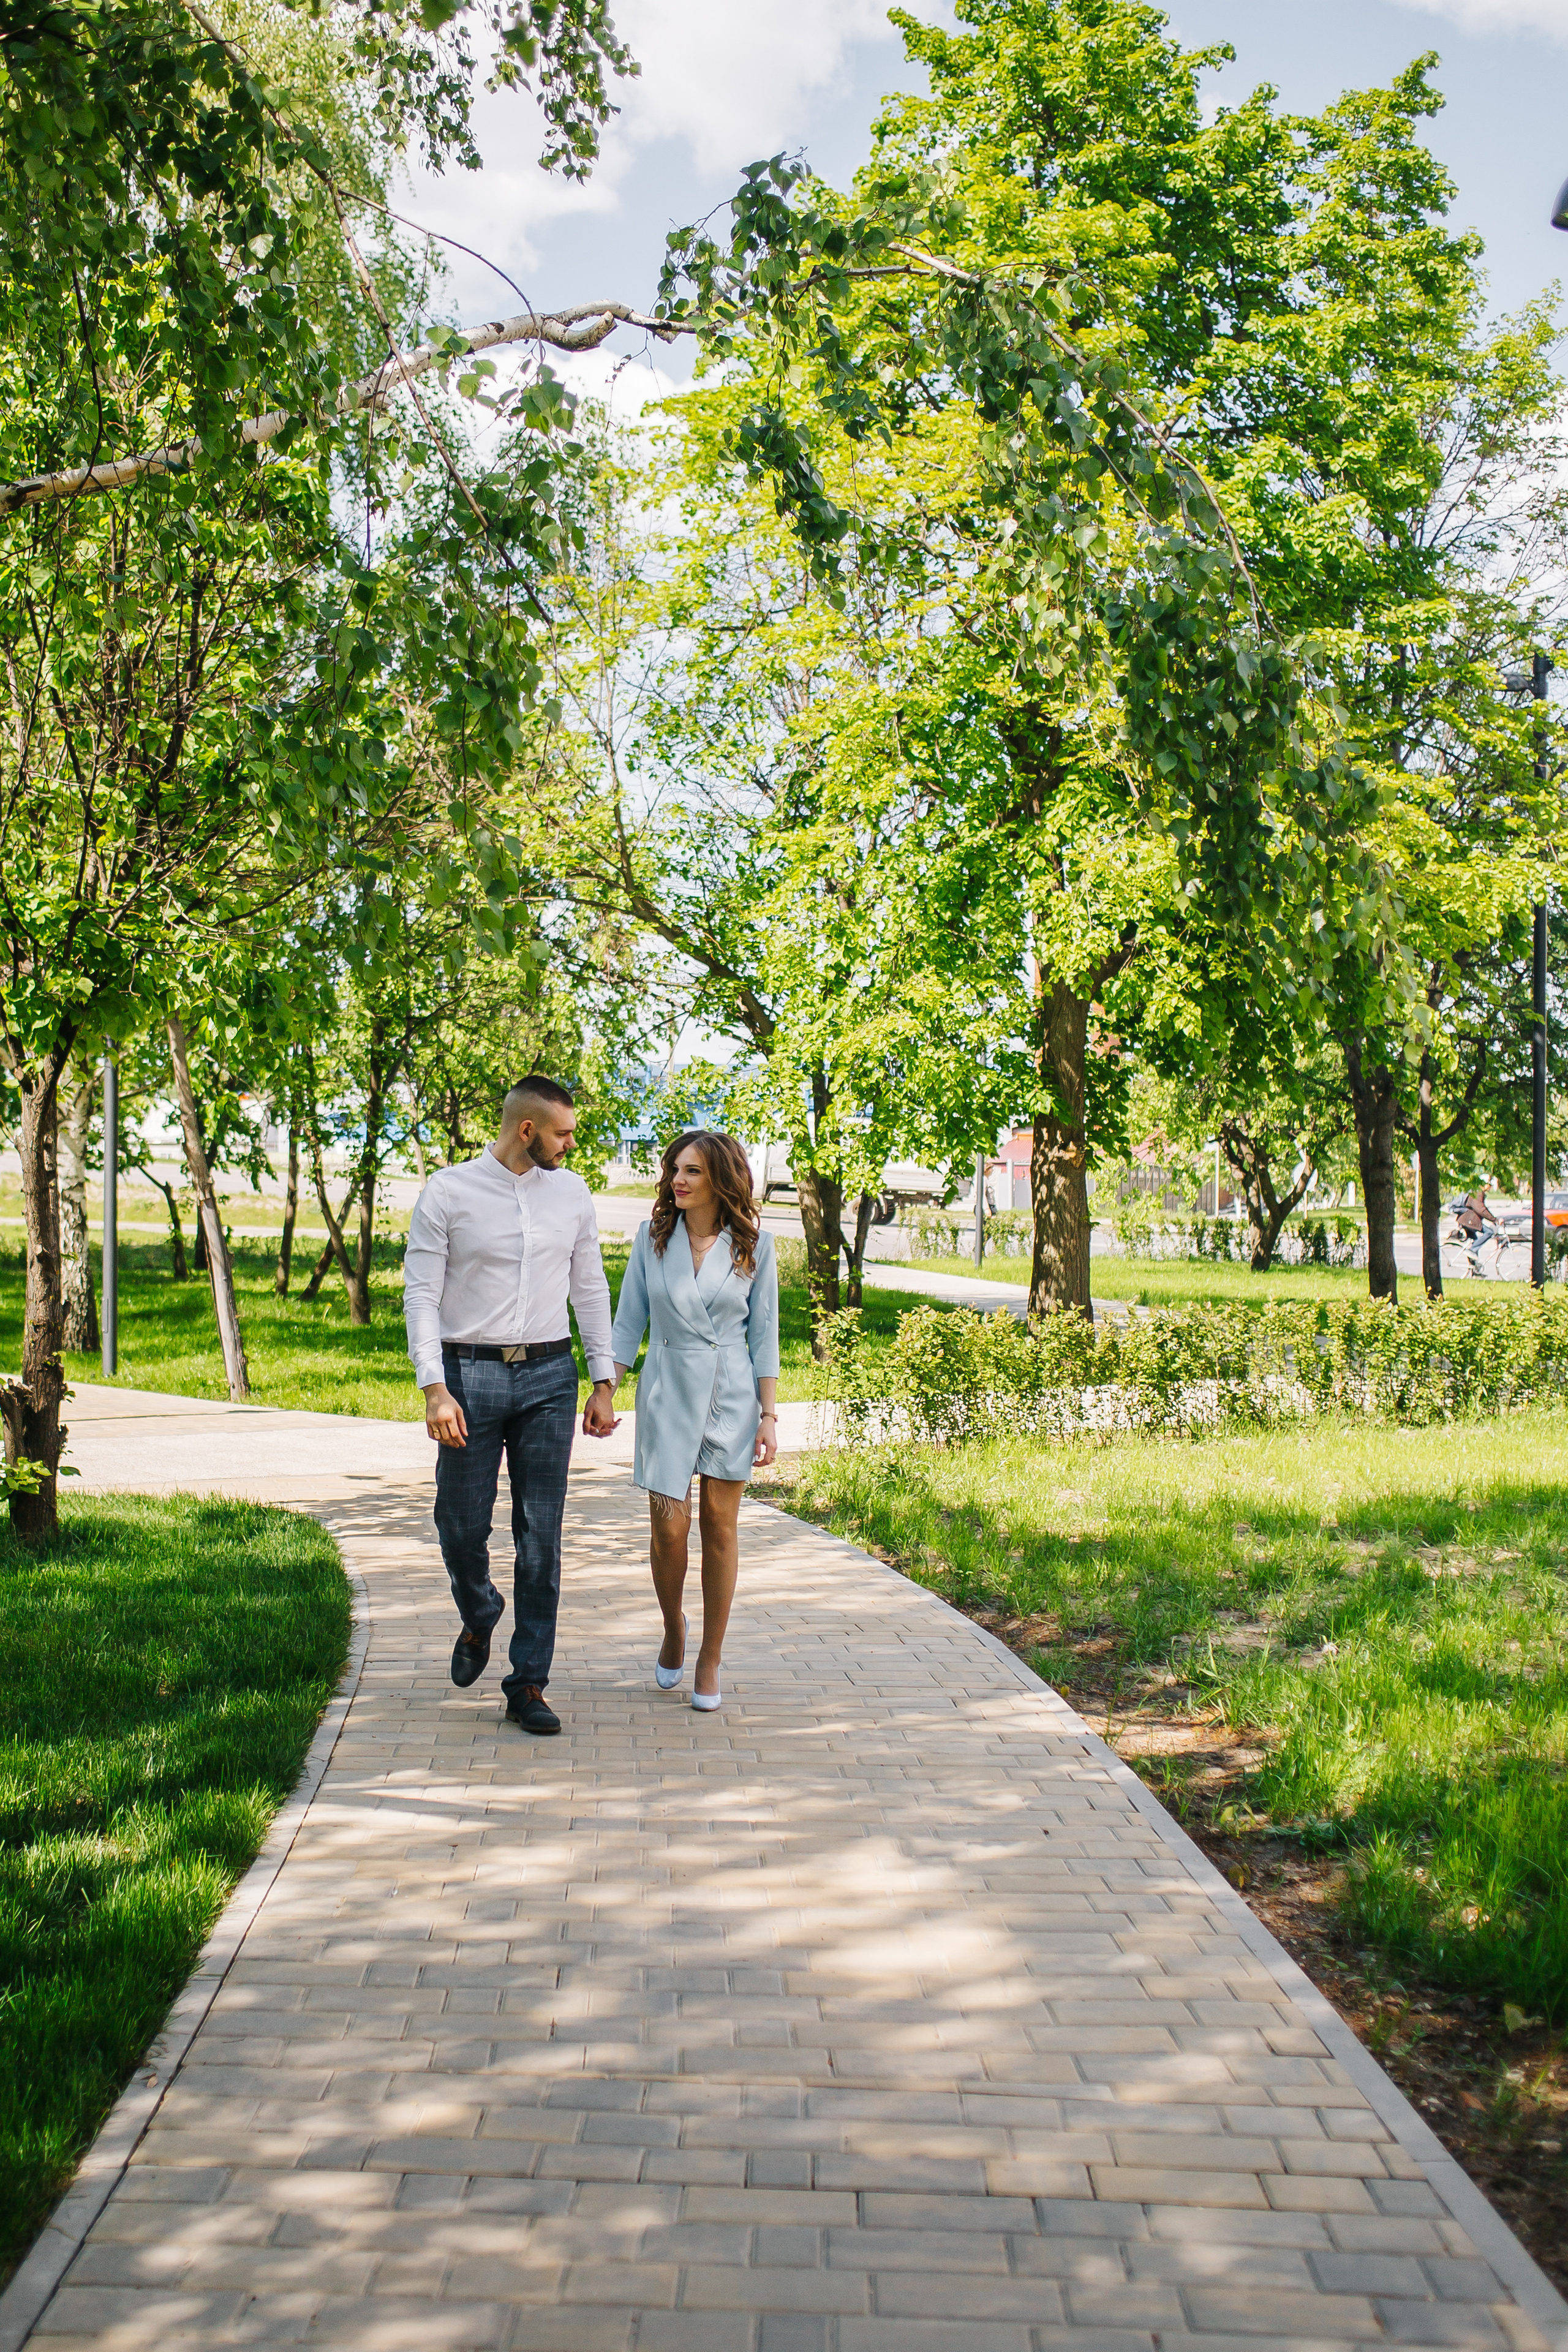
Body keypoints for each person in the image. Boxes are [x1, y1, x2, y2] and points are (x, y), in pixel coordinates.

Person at [403, 1074, 617, 1736]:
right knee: (460, 1526)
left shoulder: (573, 1193)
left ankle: (528, 1683)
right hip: (469, 1377)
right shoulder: (449, 1192)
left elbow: (589, 1288)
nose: (571, 1143)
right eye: (563, 1132)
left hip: (550, 1376)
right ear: (527, 1130)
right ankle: (478, 1611)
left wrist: (603, 1380)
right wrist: (434, 1387)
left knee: (541, 1537)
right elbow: (420, 1294)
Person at [608, 1130, 779, 1710]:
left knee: (719, 1527)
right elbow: (628, 1321)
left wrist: (769, 1416)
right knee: (669, 1529)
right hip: (666, 1392)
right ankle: (673, 1626)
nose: (679, 1180)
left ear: (721, 1180)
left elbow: (765, 1336)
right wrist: (606, 1388)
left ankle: (710, 1656)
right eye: (675, 1169)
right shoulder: (652, 1239)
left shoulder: (754, 1245)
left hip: (731, 1394)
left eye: (694, 1172)